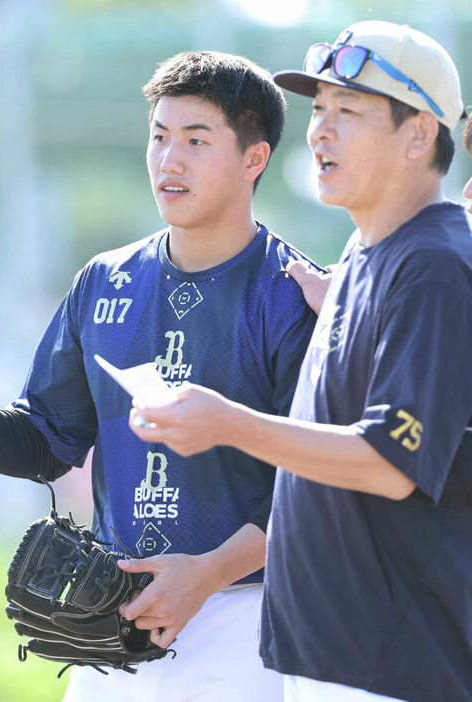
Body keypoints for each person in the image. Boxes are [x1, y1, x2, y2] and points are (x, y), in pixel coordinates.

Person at [0, 51, 318, 700]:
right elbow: (46, 440)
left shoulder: (292, 293)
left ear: (253, 159)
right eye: (158, 136)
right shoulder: (104, 284)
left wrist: (207, 573)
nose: (167, 160)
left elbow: (312, 481)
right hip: (112, 620)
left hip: (244, 623)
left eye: (195, 140)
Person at [128, 21, 471, 702]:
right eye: (318, 110)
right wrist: (342, 301)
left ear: (417, 136)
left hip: (396, 666)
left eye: (349, 113)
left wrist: (228, 423)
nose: (320, 131)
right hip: (338, 662)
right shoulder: (365, 261)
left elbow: (388, 463)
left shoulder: (432, 265)